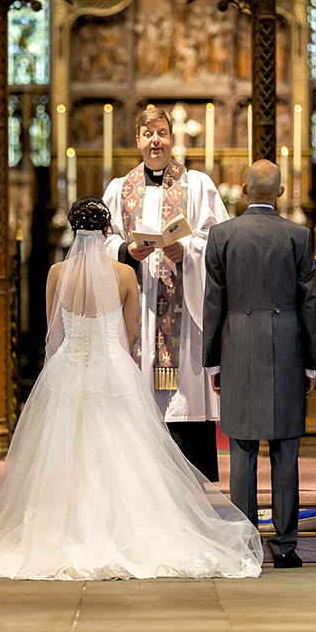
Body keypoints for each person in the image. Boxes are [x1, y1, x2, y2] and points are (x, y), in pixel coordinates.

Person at [0, 196, 262, 580]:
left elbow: (54, 334)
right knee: (125, 455)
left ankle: (60, 532)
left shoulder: (55, 273)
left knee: (62, 456)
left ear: (73, 230)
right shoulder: (123, 274)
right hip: (112, 367)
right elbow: (131, 335)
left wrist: (71, 355)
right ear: (107, 231)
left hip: (67, 368)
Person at [202, 161, 316, 569]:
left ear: (245, 190)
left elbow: (213, 303)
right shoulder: (298, 236)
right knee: (286, 451)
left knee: (242, 450)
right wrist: (311, 364)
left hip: (237, 349)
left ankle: (245, 544)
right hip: (287, 348)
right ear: (281, 193)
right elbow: (308, 304)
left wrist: (212, 362)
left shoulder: (222, 235)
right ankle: (286, 547)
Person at [102, 107, 230, 480]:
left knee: (184, 400)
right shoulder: (119, 189)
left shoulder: (199, 185)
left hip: (182, 309)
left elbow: (218, 242)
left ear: (172, 139)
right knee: (141, 402)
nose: (155, 140)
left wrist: (187, 250)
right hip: (140, 307)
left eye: (162, 133)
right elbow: (104, 242)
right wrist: (128, 252)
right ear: (138, 140)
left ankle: (190, 478)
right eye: (148, 134)